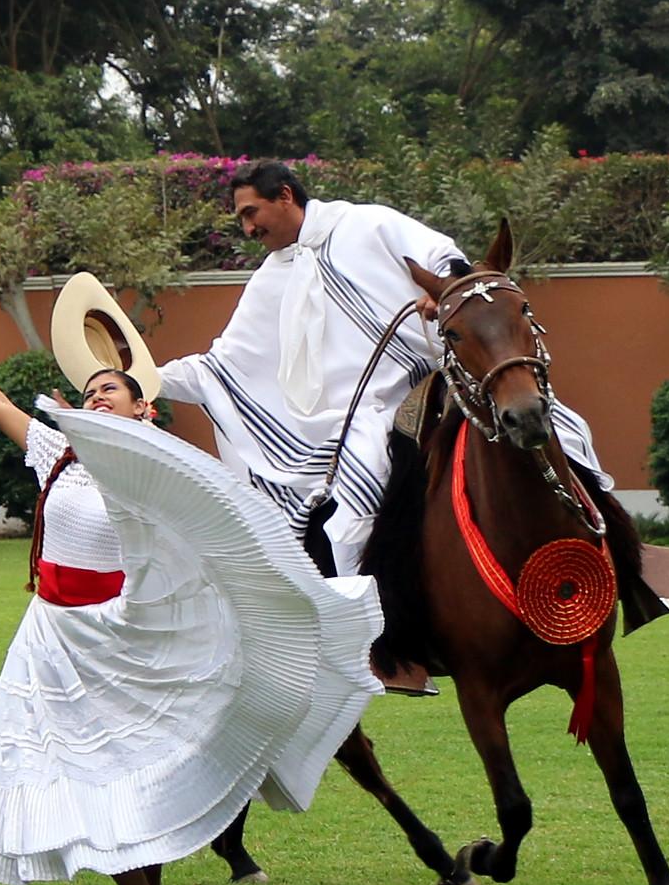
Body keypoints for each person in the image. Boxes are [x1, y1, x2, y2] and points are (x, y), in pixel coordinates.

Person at [0, 341, 382, 885]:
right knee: (58, 759)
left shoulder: (160, 469)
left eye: (110, 390)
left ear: (144, 410)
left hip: (124, 634)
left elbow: (215, 535)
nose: (96, 398)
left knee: (128, 762)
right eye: (88, 393)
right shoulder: (60, 454)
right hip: (53, 635)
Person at [157, 160, 615, 580]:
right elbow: (220, 365)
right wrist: (143, 378)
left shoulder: (367, 222)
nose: (248, 227)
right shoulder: (270, 279)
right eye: (241, 219)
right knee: (361, 486)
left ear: (285, 196)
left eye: (250, 212)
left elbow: (442, 258)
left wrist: (442, 293)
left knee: (568, 431)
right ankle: (375, 626)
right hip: (365, 415)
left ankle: (626, 563)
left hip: (440, 377)